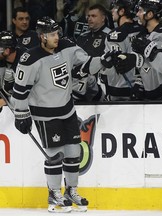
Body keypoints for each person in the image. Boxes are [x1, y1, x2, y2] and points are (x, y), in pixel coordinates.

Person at [10, 16, 116, 212]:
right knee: (54, 156)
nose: (56, 37)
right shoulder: (30, 58)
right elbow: (20, 90)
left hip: (67, 110)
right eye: (51, 34)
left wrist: (103, 61)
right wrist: (21, 114)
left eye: (56, 33)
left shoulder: (67, 46)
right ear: (42, 37)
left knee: (74, 153)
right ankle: (53, 195)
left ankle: (71, 190)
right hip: (45, 115)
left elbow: (86, 65)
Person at [115, 0, 162, 100]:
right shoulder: (142, 36)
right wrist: (139, 84)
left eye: (140, 11)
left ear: (150, 14)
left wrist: (135, 59)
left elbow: (157, 58)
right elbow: (145, 68)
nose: (137, 14)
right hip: (153, 93)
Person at [97, 0, 146, 101]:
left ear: (122, 11)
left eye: (115, 7)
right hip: (143, 88)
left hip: (119, 90)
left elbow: (114, 64)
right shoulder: (143, 30)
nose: (112, 10)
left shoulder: (114, 35)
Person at [72, 4, 111, 102]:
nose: (89, 19)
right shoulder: (82, 37)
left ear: (103, 18)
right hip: (81, 83)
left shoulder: (110, 36)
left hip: (103, 85)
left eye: (93, 16)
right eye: (88, 16)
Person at [0, 31, 25, 112]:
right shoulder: (2, 60)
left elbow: (28, 95)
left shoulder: (26, 63)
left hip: (27, 112)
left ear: (7, 50)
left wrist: (3, 101)